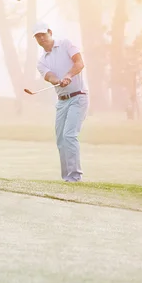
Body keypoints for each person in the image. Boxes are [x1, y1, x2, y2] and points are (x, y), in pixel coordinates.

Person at [33, 22, 89, 182]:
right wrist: (58, 80)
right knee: (61, 139)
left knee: (69, 135)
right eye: (37, 36)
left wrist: (69, 76)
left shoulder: (66, 44)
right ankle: (67, 178)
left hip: (78, 96)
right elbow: (49, 76)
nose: (41, 38)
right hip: (62, 101)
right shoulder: (42, 61)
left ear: (50, 32)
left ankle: (75, 177)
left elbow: (79, 63)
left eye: (43, 34)